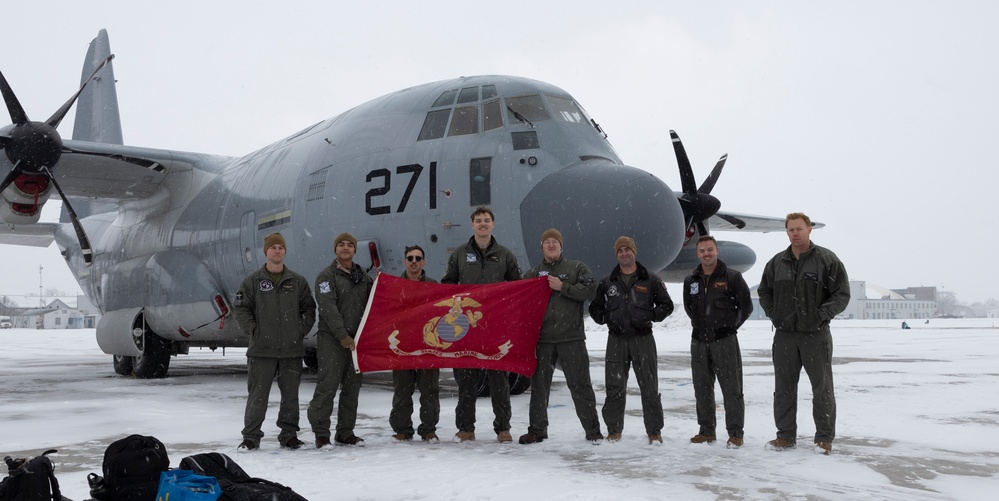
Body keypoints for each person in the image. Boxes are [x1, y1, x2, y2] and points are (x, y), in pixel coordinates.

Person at [758, 212, 849, 455]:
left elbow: (841, 294)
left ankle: (824, 439)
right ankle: (785, 436)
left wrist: (820, 315)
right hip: (785, 335)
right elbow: (764, 291)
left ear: (809, 230)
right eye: (790, 230)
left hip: (815, 336)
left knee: (822, 388)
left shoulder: (826, 260)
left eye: (799, 229)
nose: (795, 234)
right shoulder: (777, 263)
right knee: (784, 388)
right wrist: (774, 313)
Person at [440, 206, 521, 443]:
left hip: (496, 326)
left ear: (493, 224)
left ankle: (503, 428)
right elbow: (448, 284)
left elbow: (517, 287)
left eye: (487, 220)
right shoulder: (460, 254)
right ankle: (466, 428)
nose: (483, 224)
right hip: (466, 327)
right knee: (466, 379)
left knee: (500, 381)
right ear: (472, 225)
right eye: (478, 220)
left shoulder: (505, 255)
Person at [518, 228, 603, 445]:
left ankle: (592, 430)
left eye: (555, 241)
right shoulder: (533, 273)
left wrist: (563, 286)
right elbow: (518, 298)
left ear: (561, 245)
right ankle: (537, 430)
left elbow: (591, 291)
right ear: (542, 247)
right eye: (547, 242)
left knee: (580, 385)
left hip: (571, 338)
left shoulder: (576, 267)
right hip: (543, 341)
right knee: (539, 387)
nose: (551, 245)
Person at [233, 232, 317, 451]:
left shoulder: (296, 281)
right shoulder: (253, 281)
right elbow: (241, 309)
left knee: (290, 397)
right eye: (273, 248)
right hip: (262, 351)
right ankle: (251, 437)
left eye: (281, 247)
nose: (277, 251)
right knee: (257, 397)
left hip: (291, 350)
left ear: (285, 251)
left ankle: (289, 435)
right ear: (266, 252)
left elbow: (309, 308)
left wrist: (300, 330)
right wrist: (253, 329)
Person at [589, 236, 673, 444]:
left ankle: (654, 431)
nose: (624, 254)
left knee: (649, 386)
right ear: (616, 254)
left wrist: (650, 316)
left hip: (642, 339)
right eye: (620, 251)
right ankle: (614, 429)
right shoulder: (608, 281)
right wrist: (605, 318)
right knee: (615, 386)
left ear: (634, 252)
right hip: (616, 340)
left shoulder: (650, 279)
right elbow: (595, 307)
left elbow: (666, 305)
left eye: (627, 250)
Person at [682, 235, 753, 449]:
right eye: (702, 251)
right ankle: (706, 431)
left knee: (732, 389)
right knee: (702, 388)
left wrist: (730, 327)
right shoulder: (691, 280)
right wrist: (701, 325)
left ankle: (735, 433)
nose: (706, 254)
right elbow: (689, 307)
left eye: (710, 249)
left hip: (725, 341)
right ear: (697, 254)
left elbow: (746, 307)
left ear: (716, 251)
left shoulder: (733, 278)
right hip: (699, 341)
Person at [307, 232, 374, 448]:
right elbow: (328, 309)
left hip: (357, 341)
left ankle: (345, 432)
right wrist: (342, 335)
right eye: (341, 245)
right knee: (328, 386)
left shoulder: (362, 276)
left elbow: (377, 299)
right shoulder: (326, 277)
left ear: (355, 250)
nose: (345, 248)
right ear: (335, 249)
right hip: (333, 340)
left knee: (352, 389)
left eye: (350, 245)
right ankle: (321, 433)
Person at [389, 245, 441, 443]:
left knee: (429, 390)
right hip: (402, 345)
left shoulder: (433, 285)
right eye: (410, 258)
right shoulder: (394, 286)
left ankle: (428, 429)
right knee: (402, 390)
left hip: (427, 345)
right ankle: (402, 429)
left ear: (424, 262)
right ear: (404, 261)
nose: (414, 261)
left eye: (418, 258)